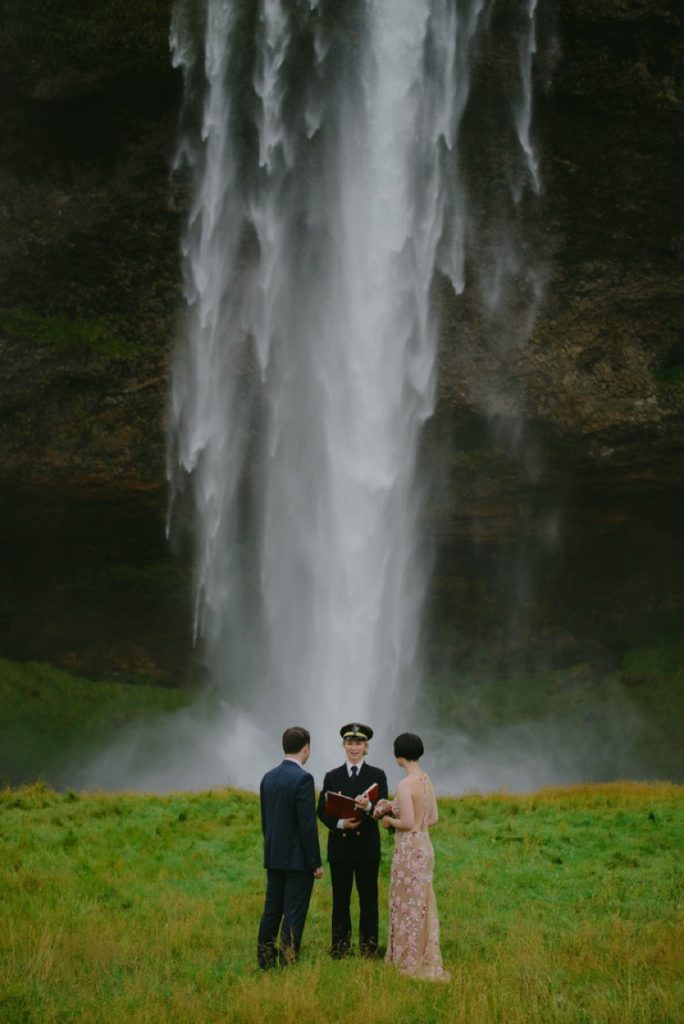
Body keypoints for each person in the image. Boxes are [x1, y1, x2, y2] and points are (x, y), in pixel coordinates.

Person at [376, 732, 450, 981]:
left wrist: (388, 821)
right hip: (426, 846)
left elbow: (406, 822)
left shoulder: (405, 784)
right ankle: (423, 954)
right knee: (422, 903)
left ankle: (407, 959)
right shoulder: (426, 780)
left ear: (399, 756)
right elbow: (434, 818)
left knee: (405, 904)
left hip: (409, 848)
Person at [317, 722, 388, 958]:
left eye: (359, 743)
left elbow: (385, 809)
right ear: (344, 745)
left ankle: (369, 948)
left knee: (369, 900)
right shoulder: (332, 776)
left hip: (367, 848)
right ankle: (339, 948)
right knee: (340, 900)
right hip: (341, 847)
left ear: (366, 747)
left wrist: (368, 807)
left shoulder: (377, 775)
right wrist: (339, 824)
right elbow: (321, 810)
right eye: (350, 742)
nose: (354, 747)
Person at [257, 726, 324, 968]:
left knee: (271, 911)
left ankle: (264, 960)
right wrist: (315, 862)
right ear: (306, 748)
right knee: (294, 913)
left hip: (274, 856)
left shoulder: (268, 777)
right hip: (297, 861)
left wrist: (271, 848)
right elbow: (307, 826)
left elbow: (266, 820)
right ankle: (288, 961)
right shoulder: (303, 779)